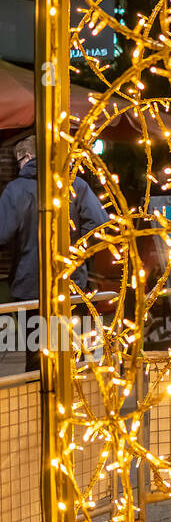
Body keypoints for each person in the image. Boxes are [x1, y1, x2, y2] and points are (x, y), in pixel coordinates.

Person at [0, 135, 110, 371]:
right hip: (71, 284)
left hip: (31, 288)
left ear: (27, 156)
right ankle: (74, 404)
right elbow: (101, 226)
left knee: (37, 358)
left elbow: (1, 233)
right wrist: (76, 251)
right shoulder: (76, 185)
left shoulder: (16, 190)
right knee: (71, 353)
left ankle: (40, 404)